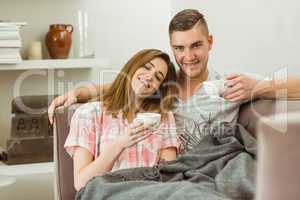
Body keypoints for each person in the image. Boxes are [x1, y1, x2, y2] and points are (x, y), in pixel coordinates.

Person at [49, 9, 300, 142]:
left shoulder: (229, 84)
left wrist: (258, 88)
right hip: (166, 170)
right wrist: (78, 93)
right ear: (172, 47)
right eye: (179, 48)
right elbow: (124, 85)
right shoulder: (163, 83)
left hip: (209, 170)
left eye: (196, 46)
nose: (188, 56)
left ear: (210, 42)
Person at [64, 49, 180, 191]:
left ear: (158, 88)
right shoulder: (89, 113)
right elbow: (81, 182)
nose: (150, 77)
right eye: (146, 67)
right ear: (132, 67)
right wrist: (120, 143)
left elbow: (169, 176)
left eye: (158, 77)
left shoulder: (163, 117)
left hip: (152, 193)